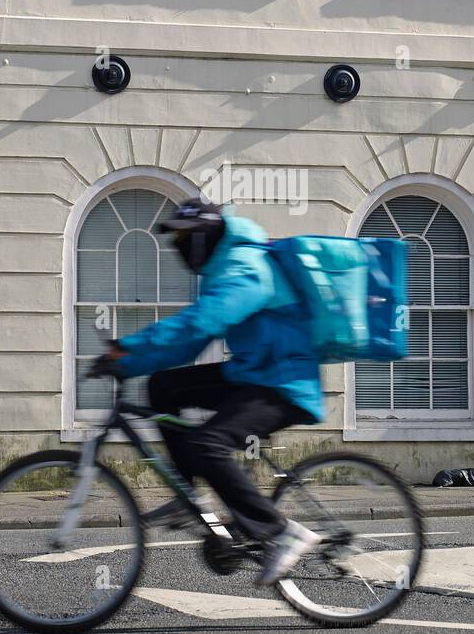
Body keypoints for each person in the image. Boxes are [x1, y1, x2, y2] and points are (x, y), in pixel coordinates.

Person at [91, 198, 323, 587]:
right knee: (163, 386)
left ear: (206, 237)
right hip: (252, 374)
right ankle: (188, 498)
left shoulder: (248, 266)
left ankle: (282, 531)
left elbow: (207, 319)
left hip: (284, 384)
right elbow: (188, 344)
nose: (179, 247)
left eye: (185, 238)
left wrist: (129, 345)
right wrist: (128, 363)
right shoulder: (223, 271)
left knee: (207, 444)